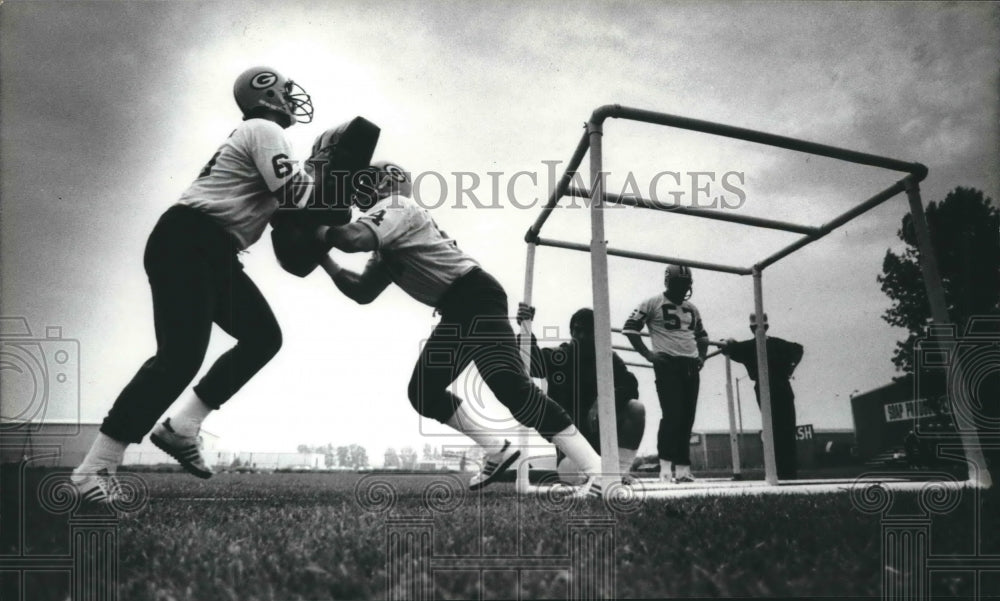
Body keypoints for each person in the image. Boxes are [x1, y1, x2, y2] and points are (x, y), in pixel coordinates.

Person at [71, 66, 316, 504]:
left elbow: (291, 217)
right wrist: (331, 182)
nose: (290, 98)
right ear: (266, 95)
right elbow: (297, 196)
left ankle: (182, 427)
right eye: (284, 91)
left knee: (262, 337)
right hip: (191, 238)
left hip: (211, 246)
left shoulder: (258, 136)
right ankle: (95, 468)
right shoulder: (264, 129)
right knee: (179, 356)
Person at [316, 161, 605, 496]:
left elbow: (352, 238)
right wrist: (322, 257)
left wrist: (317, 231)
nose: (361, 190)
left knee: (513, 389)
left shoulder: (398, 205)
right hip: (457, 307)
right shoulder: (387, 234)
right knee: (423, 392)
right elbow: (363, 291)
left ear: (390, 182)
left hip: (475, 296)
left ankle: (598, 470)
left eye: (370, 181)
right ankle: (498, 450)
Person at [516, 304, 645, 483]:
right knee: (577, 477)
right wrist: (525, 328)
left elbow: (631, 386)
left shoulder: (608, 358)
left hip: (605, 450)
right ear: (571, 332)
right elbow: (531, 365)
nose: (582, 336)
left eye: (589, 331)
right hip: (574, 453)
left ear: (598, 334)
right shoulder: (560, 356)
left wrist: (603, 401)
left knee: (636, 408)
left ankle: (620, 473)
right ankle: (597, 476)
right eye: (578, 330)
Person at [623, 265, 708, 483]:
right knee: (672, 415)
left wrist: (702, 356)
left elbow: (702, 336)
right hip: (667, 362)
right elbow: (630, 328)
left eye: (686, 284)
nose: (683, 288)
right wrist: (648, 355)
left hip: (690, 364)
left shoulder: (692, 308)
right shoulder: (653, 302)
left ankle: (683, 469)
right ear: (669, 282)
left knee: (687, 417)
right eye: (679, 283)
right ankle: (666, 469)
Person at [721, 313, 803, 480]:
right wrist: (790, 368)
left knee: (778, 429)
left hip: (773, 386)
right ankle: (785, 471)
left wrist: (728, 342)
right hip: (777, 386)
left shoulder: (752, 346)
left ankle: (784, 471)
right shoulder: (775, 344)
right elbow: (798, 349)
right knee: (782, 429)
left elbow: (729, 349)